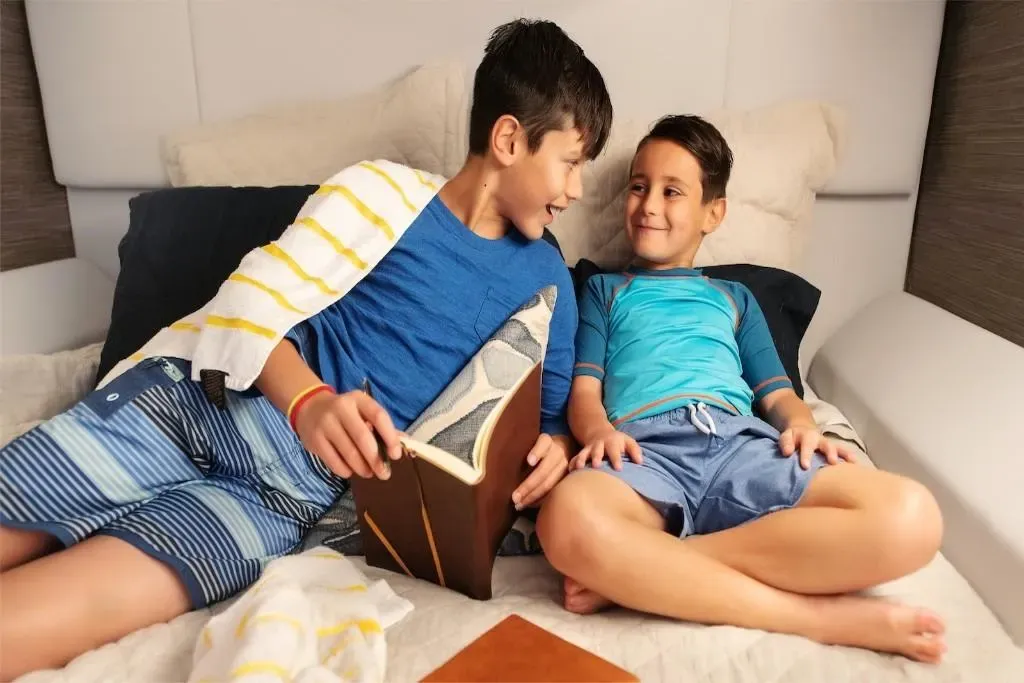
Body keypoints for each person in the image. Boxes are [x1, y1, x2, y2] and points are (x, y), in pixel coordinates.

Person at [0, 19, 612, 678]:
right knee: (20, 503)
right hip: (202, 408)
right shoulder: (378, 194)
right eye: (571, 162)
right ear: (509, 139)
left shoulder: (546, 280)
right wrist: (311, 403)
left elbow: (546, 417)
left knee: (68, 610)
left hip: (281, 502)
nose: (577, 190)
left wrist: (555, 448)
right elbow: (251, 302)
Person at [535, 114, 947, 663]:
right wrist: (598, 434)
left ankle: (648, 568)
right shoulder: (603, 290)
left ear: (714, 212)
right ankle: (815, 619)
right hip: (643, 453)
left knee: (913, 516)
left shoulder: (734, 297)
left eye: (672, 192)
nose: (649, 205)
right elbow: (584, 392)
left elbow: (779, 395)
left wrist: (803, 428)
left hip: (739, 445)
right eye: (638, 186)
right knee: (565, 518)